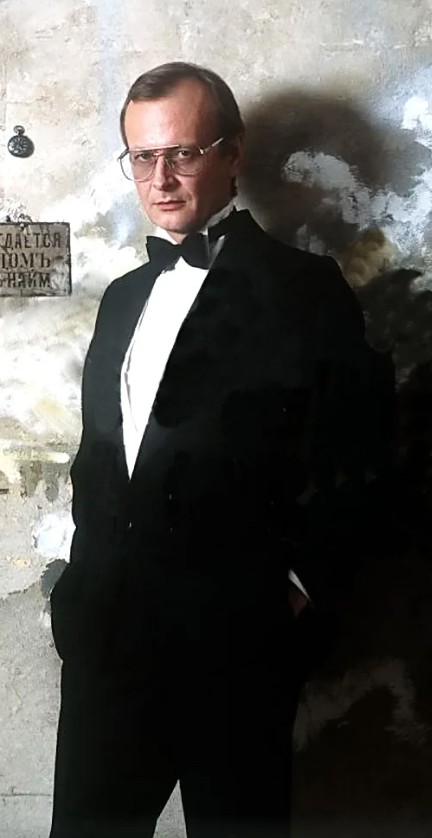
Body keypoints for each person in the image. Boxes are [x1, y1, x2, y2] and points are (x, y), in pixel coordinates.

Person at [49, 62, 388, 838]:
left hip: (235, 646)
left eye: (183, 153)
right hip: (107, 640)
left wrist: (294, 592)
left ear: (232, 153)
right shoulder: (122, 298)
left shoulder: (305, 289)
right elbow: (102, 456)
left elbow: (358, 455)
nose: (160, 178)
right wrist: (78, 585)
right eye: (143, 157)